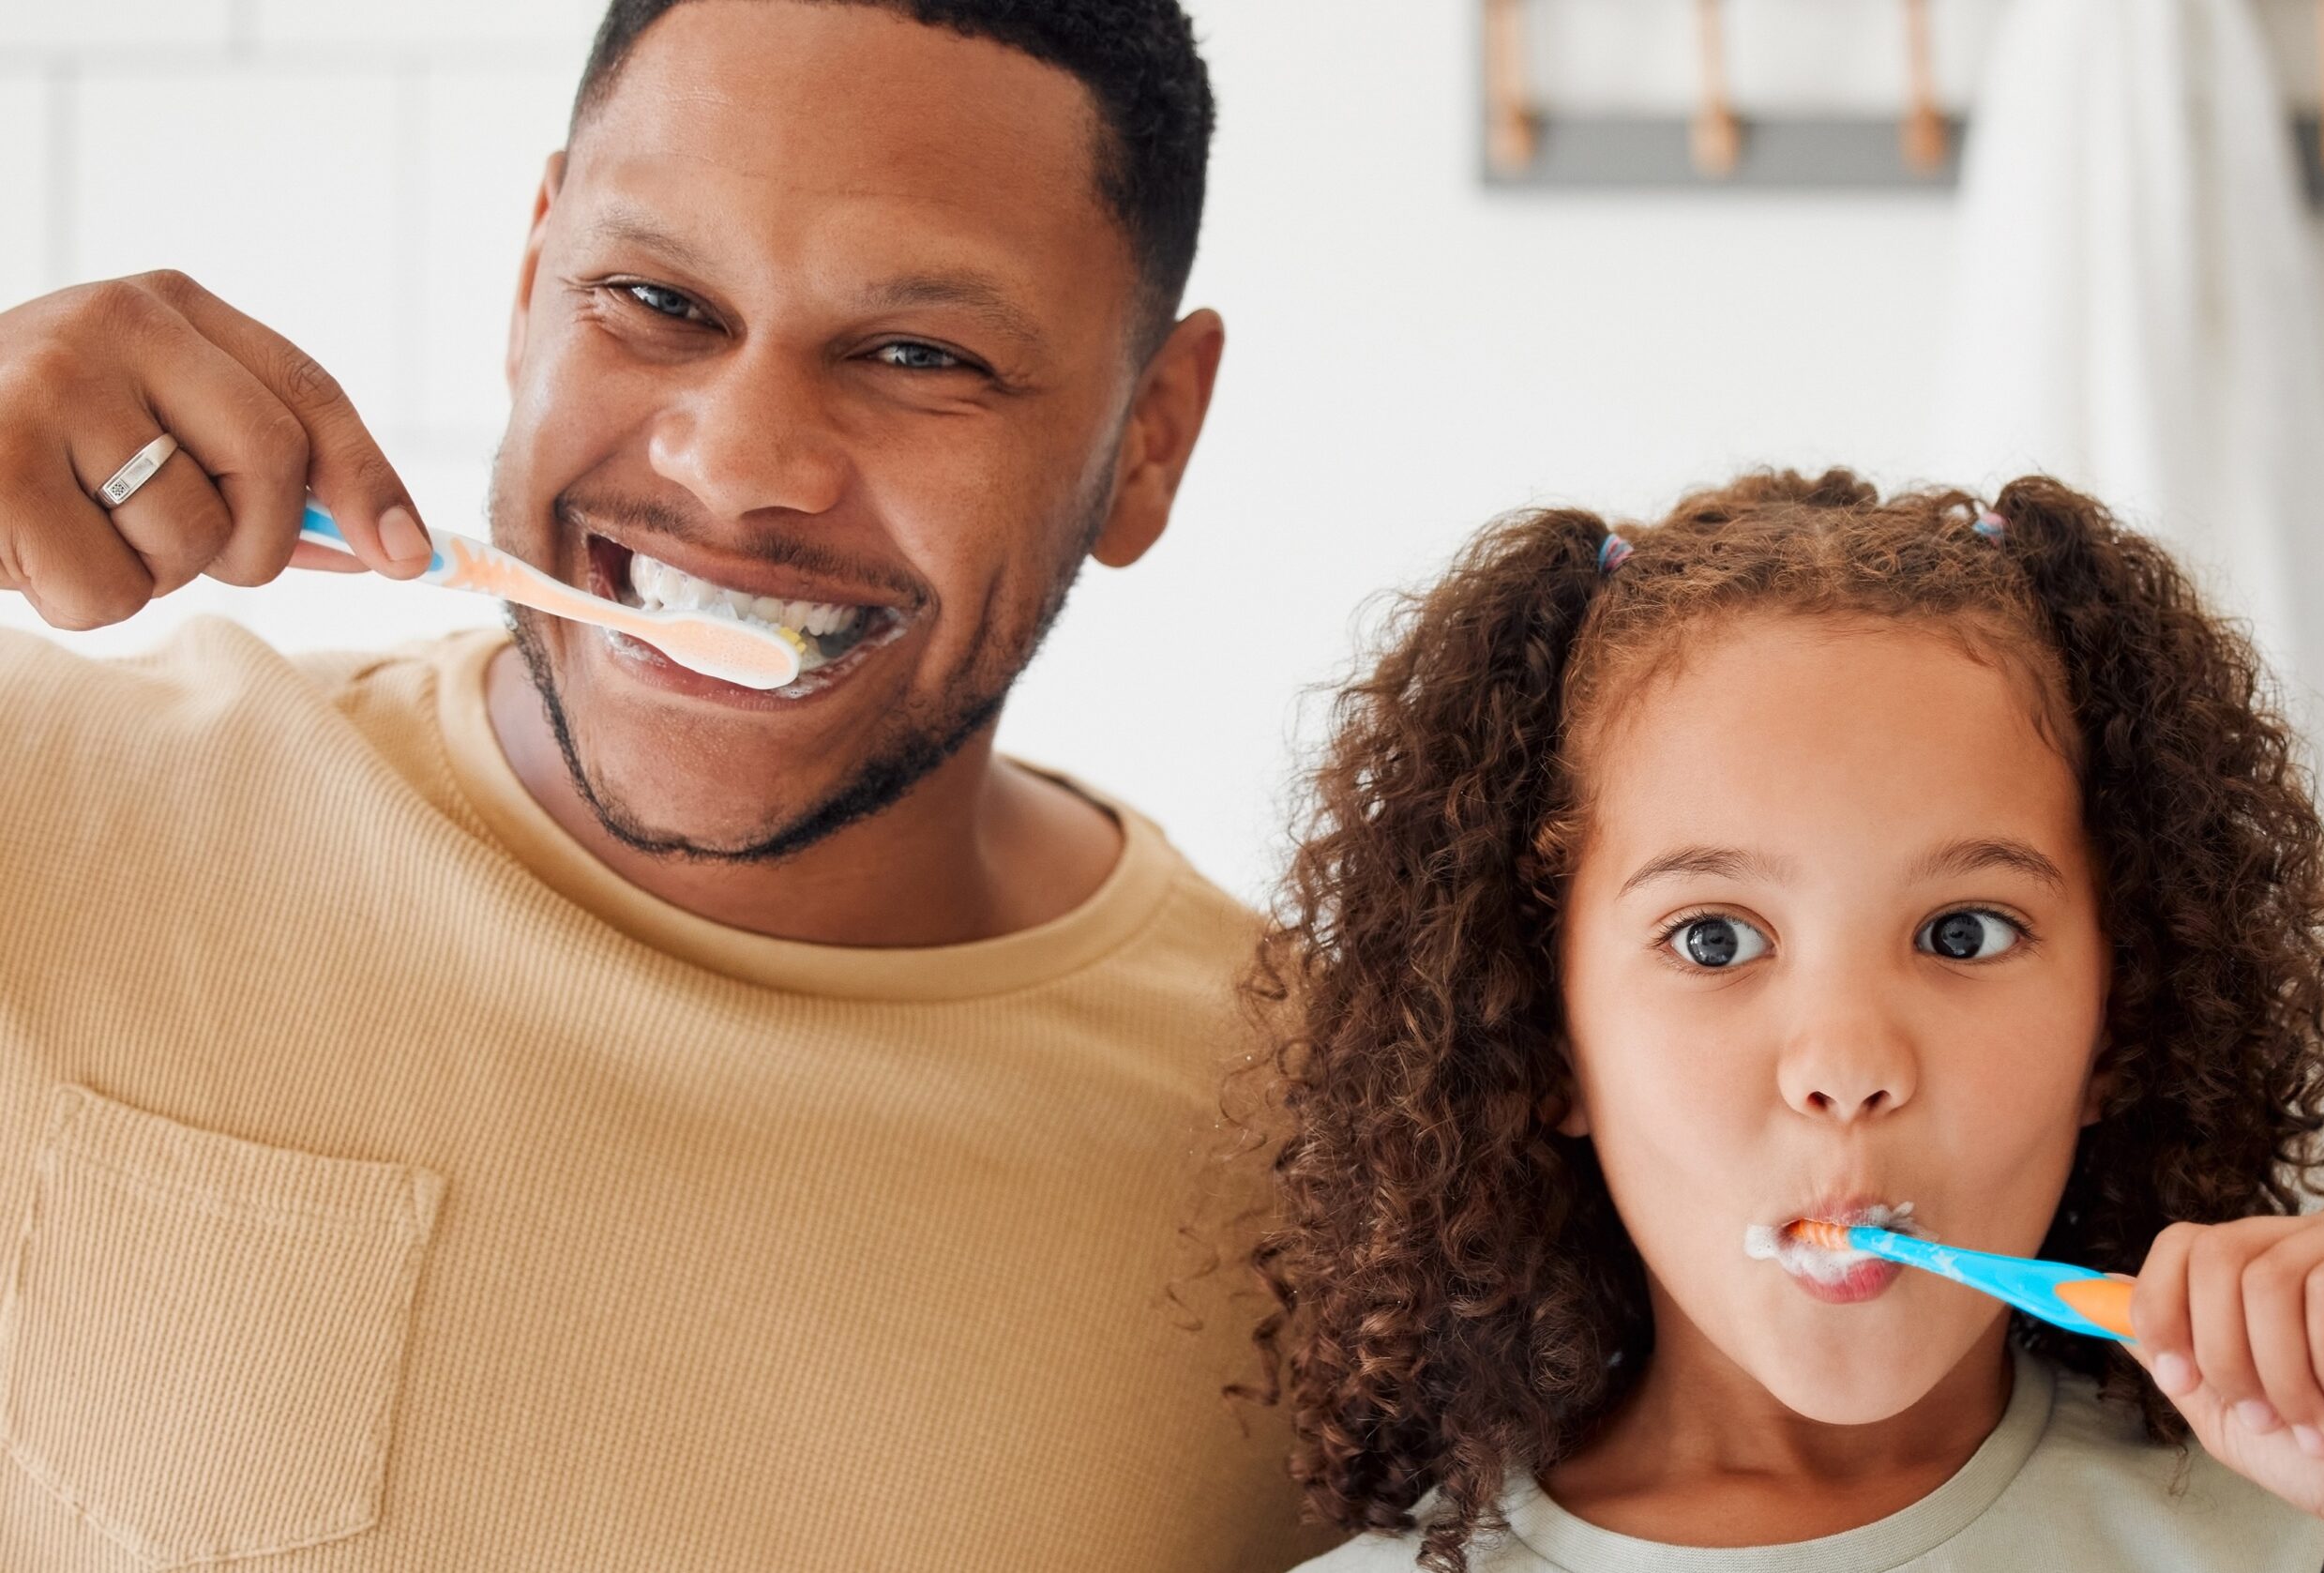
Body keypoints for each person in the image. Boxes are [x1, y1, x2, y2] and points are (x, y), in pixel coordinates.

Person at [0, 2, 1331, 1568]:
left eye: (921, 354)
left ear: (1153, 438)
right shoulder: (51, 809)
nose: (739, 460)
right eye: (656, 299)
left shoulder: (1347, 1152)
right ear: (530, 286)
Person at [1242, 471, 2324, 1571]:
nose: (1847, 1068)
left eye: (1963, 934)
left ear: (2122, 1014)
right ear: (1543, 1037)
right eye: (1714, 940)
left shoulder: (2313, 1530)